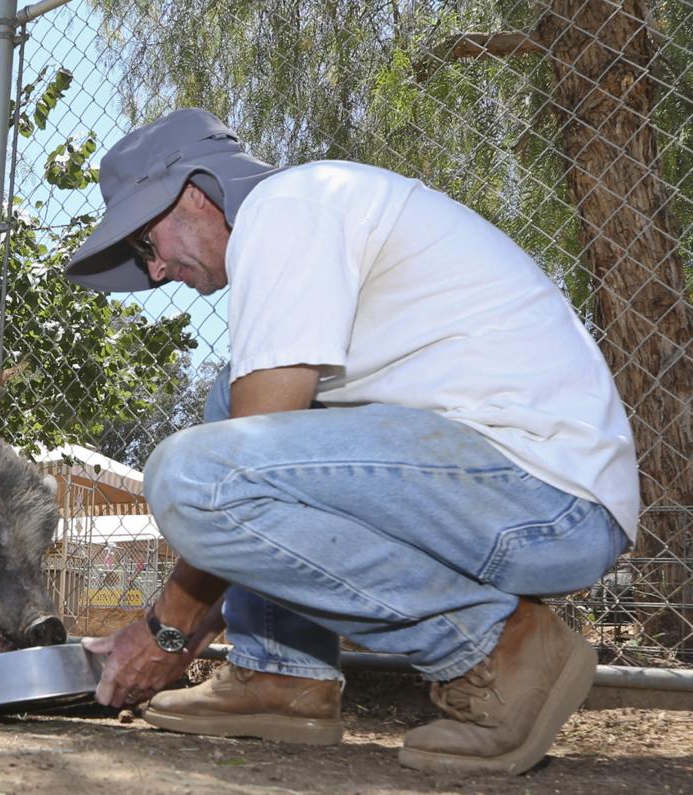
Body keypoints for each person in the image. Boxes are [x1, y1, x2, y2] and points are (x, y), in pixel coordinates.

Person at [65, 108, 638, 775]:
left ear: (195, 192)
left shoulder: (287, 208)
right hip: (532, 490)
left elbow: (238, 476)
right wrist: (178, 625)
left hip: (543, 497)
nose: (157, 270)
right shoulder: (303, 213)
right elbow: (258, 442)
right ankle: (281, 673)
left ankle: (495, 651)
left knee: (194, 477)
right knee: (230, 397)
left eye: (147, 241)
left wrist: (167, 628)